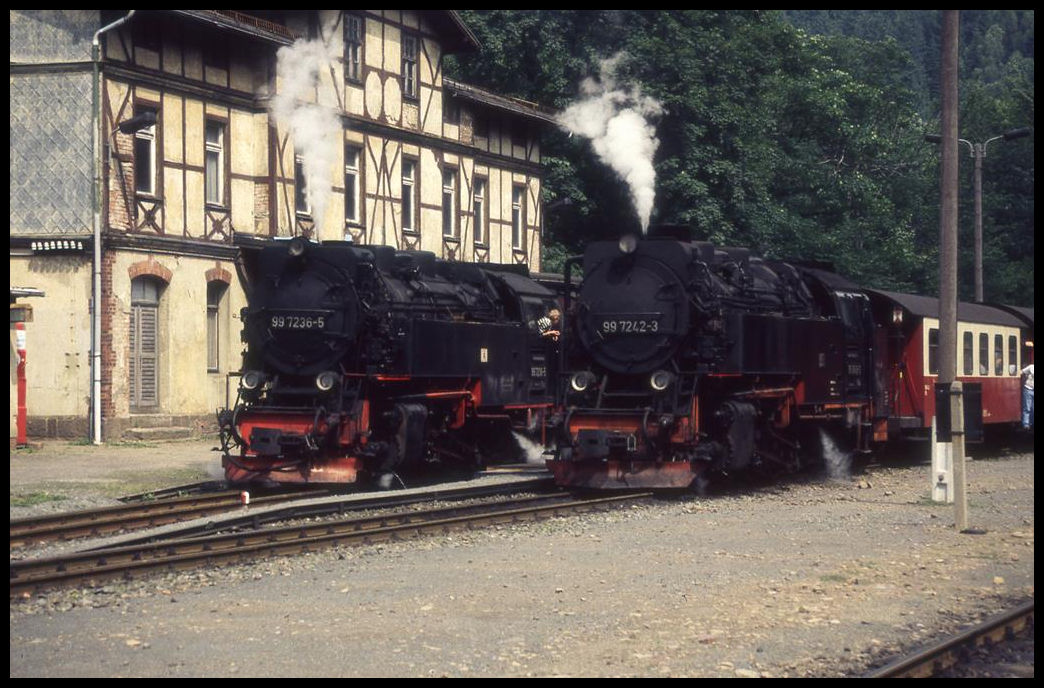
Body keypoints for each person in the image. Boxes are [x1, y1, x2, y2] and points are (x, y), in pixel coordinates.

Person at [1020, 362, 1034, 430]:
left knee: (1033, 408)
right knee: (1027, 407)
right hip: (1028, 389)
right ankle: (1026, 424)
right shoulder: (1031, 367)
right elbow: (1021, 372)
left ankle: (1031, 423)